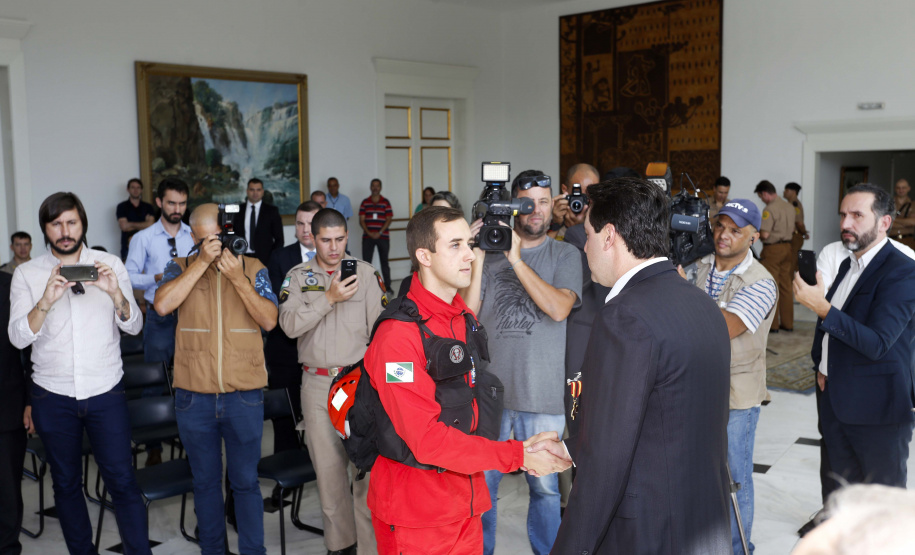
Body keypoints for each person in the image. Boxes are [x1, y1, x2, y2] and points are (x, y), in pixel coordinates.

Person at [528, 177, 732, 554]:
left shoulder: (625, 316)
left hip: (648, 531)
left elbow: (608, 460)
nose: (584, 246)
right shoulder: (702, 303)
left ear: (609, 236)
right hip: (704, 523)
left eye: (587, 234)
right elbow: (663, 419)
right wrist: (573, 449)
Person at [363, 206, 569, 554]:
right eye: (455, 245)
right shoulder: (397, 337)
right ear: (424, 256)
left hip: (465, 505)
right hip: (418, 516)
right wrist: (517, 455)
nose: (470, 256)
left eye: (470, 244)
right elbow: (427, 441)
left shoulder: (460, 319)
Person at [8, 192, 150, 554]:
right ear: (45, 229)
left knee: (122, 479)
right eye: (56, 224)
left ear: (82, 223)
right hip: (51, 395)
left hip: (105, 391)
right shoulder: (27, 273)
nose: (65, 230)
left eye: (71, 222)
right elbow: (17, 336)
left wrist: (116, 293)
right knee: (66, 483)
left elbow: (133, 327)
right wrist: (46, 299)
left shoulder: (109, 263)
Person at [462, 169, 582, 555]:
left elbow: (560, 308)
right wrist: (478, 250)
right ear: (513, 205)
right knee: (486, 489)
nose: (537, 210)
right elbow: (466, 313)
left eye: (545, 202)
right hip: (493, 397)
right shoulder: (489, 256)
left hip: (544, 396)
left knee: (545, 490)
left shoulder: (565, 253)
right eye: (528, 202)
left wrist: (515, 259)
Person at [154, 203, 278, 555]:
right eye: (209, 239)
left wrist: (238, 277)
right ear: (193, 237)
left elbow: (269, 320)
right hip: (194, 397)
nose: (219, 244)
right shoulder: (178, 266)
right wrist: (202, 263)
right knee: (206, 485)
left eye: (222, 236)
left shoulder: (253, 266)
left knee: (246, 483)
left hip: (244, 396)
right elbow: (163, 305)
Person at [793, 183, 915, 493]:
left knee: (878, 505)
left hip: (877, 408)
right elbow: (835, 330)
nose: (846, 224)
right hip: (836, 397)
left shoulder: (903, 271)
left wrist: (821, 307)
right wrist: (822, 365)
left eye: (857, 215)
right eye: (843, 215)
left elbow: (876, 342)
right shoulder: (850, 264)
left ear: (884, 222)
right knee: (839, 495)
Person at [277, 208, 384, 555]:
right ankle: (340, 548)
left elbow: (382, 335)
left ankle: (369, 549)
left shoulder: (367, 275)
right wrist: (329, 299)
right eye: (326, 240)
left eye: (340, 239)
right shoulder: (297, 276)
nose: (334, 248)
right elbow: (289, 326)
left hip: (359, 386)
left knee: (365, 475)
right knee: (329, 476)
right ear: (312, 237)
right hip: (318, 385)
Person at [691, 200, 777, 554]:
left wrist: (679, 296)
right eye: (719, 226)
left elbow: (722, 328)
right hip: (693, 386)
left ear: (754, 236)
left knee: (733, 479)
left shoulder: (761, 282)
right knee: (697, 474)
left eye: (735, 230)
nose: (723, 235)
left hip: (735, 395)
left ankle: (739, 548)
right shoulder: (698, 265)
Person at [264, 200, 320, 505]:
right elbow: (281, 302)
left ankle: (324, 473)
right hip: (285, 352)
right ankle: (284, 480)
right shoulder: (279, 257)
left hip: (322, 352)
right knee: (284, 419)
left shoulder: (332, 256)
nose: (305, 230)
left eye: (312, 223)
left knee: (321, 419)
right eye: (300, 223)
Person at [0, 270, 28, 554]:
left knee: (7, 492)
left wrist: (31, 400)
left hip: (6, 405)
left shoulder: (12, 284)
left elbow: (33, 348)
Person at [755, 179, 795, 332]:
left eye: (760, 196)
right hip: (788, 248)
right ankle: (788, 323)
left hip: (773, 250)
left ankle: (773, 325)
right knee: (786, 286)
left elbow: (765, 234)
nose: (761, 199)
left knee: (771, 286)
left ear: (765, 194)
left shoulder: (769, 209)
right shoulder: (789, 206)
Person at [233, 177, 285, 267]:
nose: (255, 193)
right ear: (247, 191)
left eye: (258, 190)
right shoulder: (238, 210)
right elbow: (233, 234)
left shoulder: (272, 211)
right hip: (241, 257)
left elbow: (279, 239)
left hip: (265, 259)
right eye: (252, 190)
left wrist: (272, 257)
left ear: (263, 192)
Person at [548, 163, 601, 241]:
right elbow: (542, 252)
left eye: (591, 195)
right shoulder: (549, 216)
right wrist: (556, 224)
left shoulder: (603, 220)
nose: (585, 202)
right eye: (579, 196)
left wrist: (581, 228)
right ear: (565, 190)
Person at [359, 178, 394, 292]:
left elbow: (389, 219)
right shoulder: (365, 202)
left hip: (383, 237)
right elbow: (361, 220)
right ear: (370, 187)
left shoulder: (386, 202)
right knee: (366, 263)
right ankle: (366, 286)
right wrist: (370, 233)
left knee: (385, 262)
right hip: (367, 237)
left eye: (377, 186)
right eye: (373, 185)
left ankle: (387, 286)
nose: (375, 188)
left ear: (380, 188)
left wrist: (379, 232)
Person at [116, 178, 156, 260]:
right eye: (133, 187)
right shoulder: (122, 206)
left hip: (148, 245)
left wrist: (130, 224)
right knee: (128, 272)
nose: (135, 190)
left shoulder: (148, 207)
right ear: (128, 189)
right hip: (128, 246)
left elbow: (151, 225)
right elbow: (124, 226)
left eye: (138, 187)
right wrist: (144, 224)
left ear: (141, 190)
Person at [784, 182, 809, 274]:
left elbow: (799, 222)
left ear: (793, 192)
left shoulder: (795, 204)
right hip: (791, 237)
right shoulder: (789, 203)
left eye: (786, 190)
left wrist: (804, 233)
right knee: (795, 264)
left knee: (790, 262)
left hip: (794, 237)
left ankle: (789, 286)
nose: (784, 192)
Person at [889, 178, 915, 250]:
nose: (901, 190)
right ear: (895, 189)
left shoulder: (913, 204)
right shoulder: (888, 204)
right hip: (891, 240)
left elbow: (913, 222)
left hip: (909, 241)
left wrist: (894, 219)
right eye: (898, 188)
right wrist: (905, 222)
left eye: (903, 188)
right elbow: (887, 223)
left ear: (908, 189)